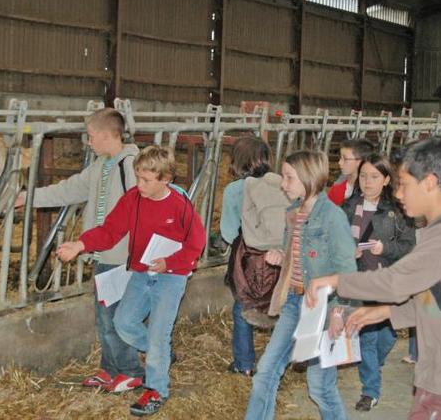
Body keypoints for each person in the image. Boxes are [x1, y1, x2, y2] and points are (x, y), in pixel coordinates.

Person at [307, 139, 441, 420]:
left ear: (429, 182)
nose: (398, 193)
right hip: (439, 377)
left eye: (403, 184)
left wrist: (335, 281)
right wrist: (384, 312)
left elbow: (395, 283)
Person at [57, 145, 206, 416]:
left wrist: (170, 262)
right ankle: (160, 354)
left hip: (171, 278)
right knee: (123, 322)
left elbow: (196, 243)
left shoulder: (179, 204)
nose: (139, 184)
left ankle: (157, 389)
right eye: (137, 177)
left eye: (146, 180)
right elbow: (110, 230)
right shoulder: (133, 200)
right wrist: (80, 244)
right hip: (141, 272)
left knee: (159, 334)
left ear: (165, 179)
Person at [15, 108, 144, 392]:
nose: (88, 142)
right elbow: (70, 189)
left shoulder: (131, 167)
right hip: (101, 254)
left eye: (90, 136)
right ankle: (110, 369)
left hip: (121, 256)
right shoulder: (101, 166)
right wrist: (30, 197)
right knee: (104, 316)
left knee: (116, 318)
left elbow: (142, 211)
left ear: (106, 134)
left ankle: (131, 371)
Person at [244, 150, 357, 420]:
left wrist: (340, 313)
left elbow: (348, 271)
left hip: (325, 309)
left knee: (320, 388)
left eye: (289, 177)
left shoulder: (332, 217)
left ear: (308, 178)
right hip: (295, 304)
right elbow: (298, 258)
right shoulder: (293, 212)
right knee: (266, 373)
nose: (283, 184)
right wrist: (282, 257)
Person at [339, 153, 415, 411]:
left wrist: (386, 249)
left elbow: (409, 246)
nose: (367, 182)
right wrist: (348, 250)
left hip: (388, 281)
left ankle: (372, 363)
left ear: (385, 180)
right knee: (367, 337)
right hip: (360, 281)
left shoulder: (398, 210)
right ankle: (370, 391)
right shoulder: (349, 206)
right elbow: (337, 239)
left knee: (387, 334)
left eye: (374, 176)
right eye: (363, 176)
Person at [220, 136, 275, 377]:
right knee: (281, 305)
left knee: (243, 307)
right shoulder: (279, 184)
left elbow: (228, 231)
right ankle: (283, 358)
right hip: (280, 255)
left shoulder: (234, 190)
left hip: (249, 257)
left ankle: (244, 363)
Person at [328, 139, 375, 205]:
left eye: (345, 159)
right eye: (340, 158)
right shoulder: (336, 190)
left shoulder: (375, 191)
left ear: (360, 161)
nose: (339, 162)